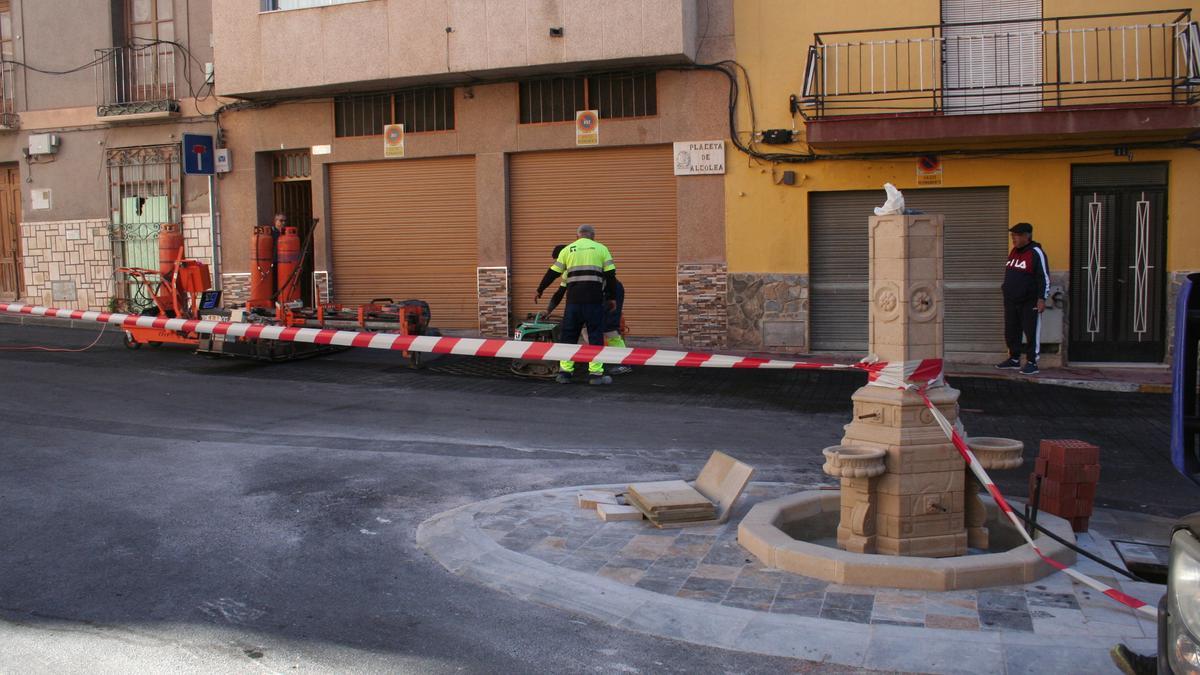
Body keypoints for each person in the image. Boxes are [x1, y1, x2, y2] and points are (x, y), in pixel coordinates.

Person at [535, 224, 617, 385]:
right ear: (593, 236)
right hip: (593, 302)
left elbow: (553, 273)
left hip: (573, 302)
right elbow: (611, 275)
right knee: (595, 335)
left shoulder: (567, 250)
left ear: (577, 236)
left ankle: (565, 373)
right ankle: (595, 375)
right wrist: (611, 297)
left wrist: (540, 289)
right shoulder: (601, 249)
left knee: (569, 335)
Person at [996, 222, 1049, 375]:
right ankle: (1014, 359)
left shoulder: (1036, 252)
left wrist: (1041, 298)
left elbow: (1043, 277)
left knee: (1031, 331)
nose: (1014, 238)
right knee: (1011, 330)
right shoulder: (1014, 251)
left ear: (1027, 236)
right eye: (1012, 235)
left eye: (1017, 235)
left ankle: (1032, 362)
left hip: (1029, 301)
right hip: (1012, 300)